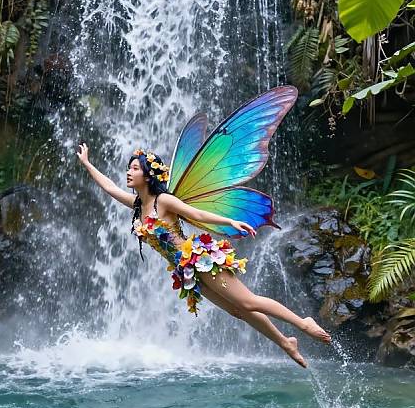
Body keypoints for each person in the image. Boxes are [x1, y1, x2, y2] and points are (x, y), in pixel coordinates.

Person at [76, 143, 331, 368]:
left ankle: (303, 323)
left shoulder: (163, 200)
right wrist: (87, 164)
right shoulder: (138, 206)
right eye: (129, 168)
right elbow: (109, 187)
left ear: (147, 174)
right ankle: (286, 343)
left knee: (249, 302)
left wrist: (231, 221)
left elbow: (195, 214)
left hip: (200, 261)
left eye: (134, 168)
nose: (128, 172)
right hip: (185, 272)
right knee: (237, 311)